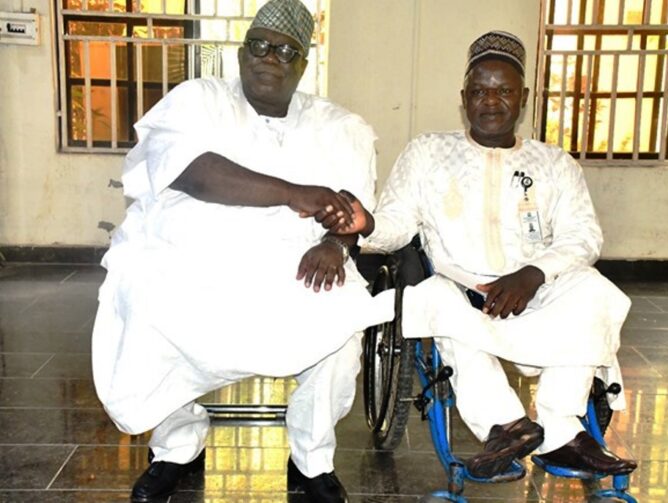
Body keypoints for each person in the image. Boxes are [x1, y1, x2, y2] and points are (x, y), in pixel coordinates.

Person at [91, 1, 393, 501]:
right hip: (187, 256)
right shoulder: (197, 99)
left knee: (344, 316)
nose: (268, 58)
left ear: (303, 63)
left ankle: (311, 460)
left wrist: (336, 247)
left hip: (293, 262)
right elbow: (195, 173)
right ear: (240, 52)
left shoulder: (340, 126)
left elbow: (351, 210)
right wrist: (295, 192)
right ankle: (177, 446)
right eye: (259, 45)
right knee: (141, 292)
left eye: (285, 50)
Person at [340, 31, 637, 480]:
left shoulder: (554, 163)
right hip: (464, 290)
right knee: (435, 298)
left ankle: (560, 432)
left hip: (539, 290)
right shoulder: (428, 152)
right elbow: (397, 222)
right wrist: (367, 225)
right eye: (480, 90)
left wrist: (533, 274)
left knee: (595, 291)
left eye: (504, 90)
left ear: (523, 98)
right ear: (464, 98)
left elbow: (583, 237)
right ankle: (506, 427)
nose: (491, 101)